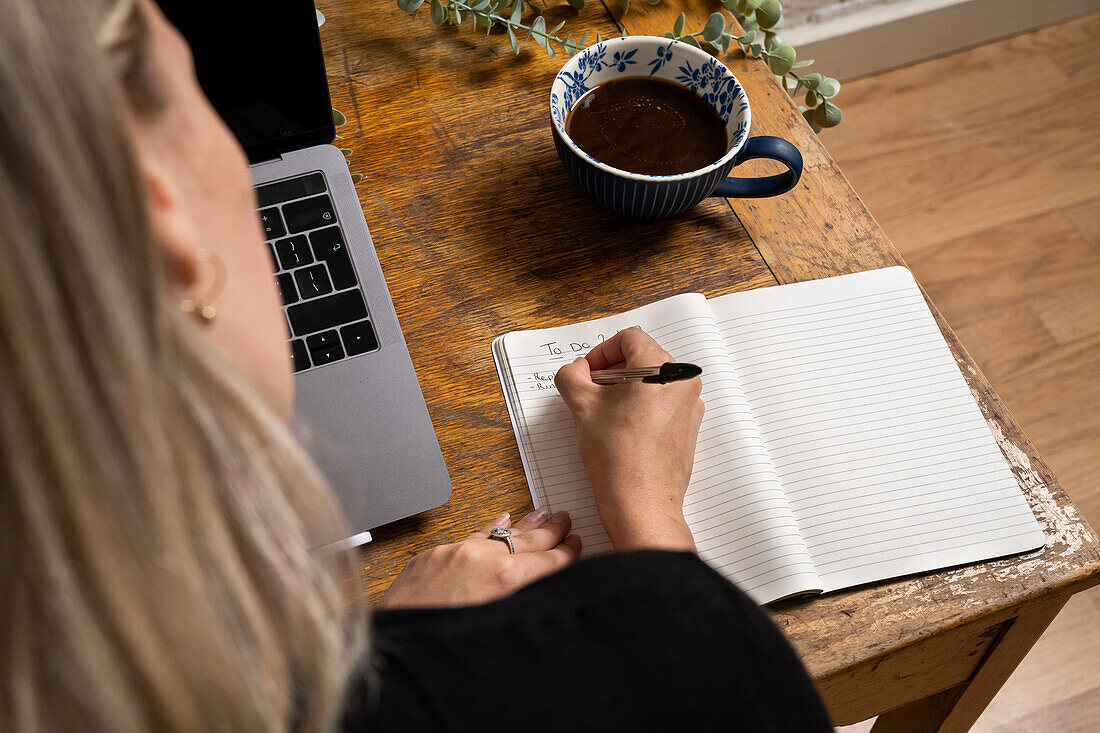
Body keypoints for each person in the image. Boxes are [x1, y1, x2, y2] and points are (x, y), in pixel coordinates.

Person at [0, 0, 832, 730]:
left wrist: (379, 649)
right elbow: (691, 680)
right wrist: (646, 509)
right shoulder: (684, 651)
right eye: (202, 100)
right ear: (165, 232)